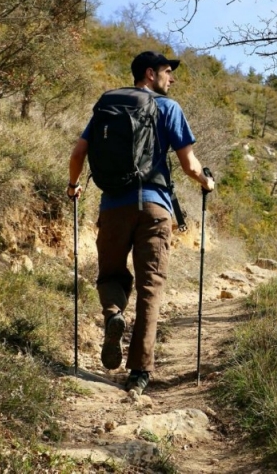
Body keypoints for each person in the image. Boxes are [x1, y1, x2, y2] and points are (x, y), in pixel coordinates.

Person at [67, 51, 214, 395]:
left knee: (111, 274)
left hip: (113, 206)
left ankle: (113, 313)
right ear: (150, 73)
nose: (171, 79)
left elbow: (77, 154)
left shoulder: (107, 105)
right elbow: (190, 165)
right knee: (151, 287)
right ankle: (138, 372)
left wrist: (73, 186)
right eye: (167, 72)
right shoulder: (168, 108)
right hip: (155, 208)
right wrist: (206, 183)